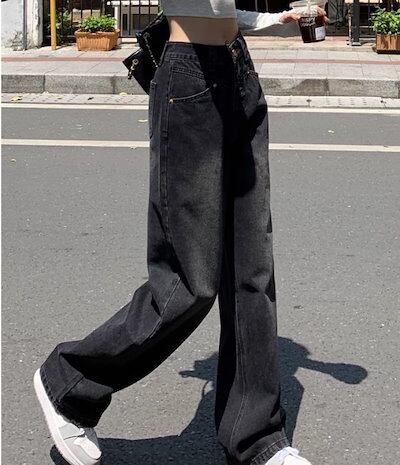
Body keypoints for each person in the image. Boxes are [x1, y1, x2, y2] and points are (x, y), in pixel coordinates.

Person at [34, 3, 328, 465]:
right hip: (191, 80)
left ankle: (257, 438)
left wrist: (274, 19)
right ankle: (70, 381)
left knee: (251, 272)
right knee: (188, 283)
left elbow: (220, 11)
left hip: (238, 71)